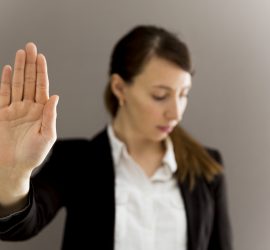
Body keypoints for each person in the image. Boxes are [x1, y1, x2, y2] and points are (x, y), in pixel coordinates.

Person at [0, 25, 233, 250]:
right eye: (160, 96)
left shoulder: (207, 168)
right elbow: (19, 228)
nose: (176, 113)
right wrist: (14, 174)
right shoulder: (76, 161)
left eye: (183, 95)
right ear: (120, 88)